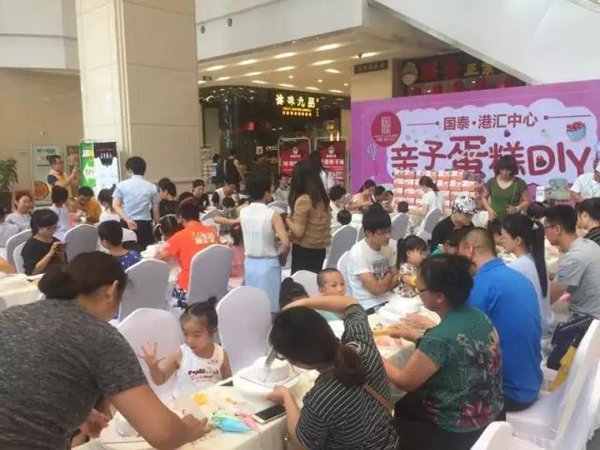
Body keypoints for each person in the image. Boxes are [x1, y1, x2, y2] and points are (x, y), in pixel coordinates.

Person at [0, 252, 210, 448]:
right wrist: (187, 430)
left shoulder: (11, 315)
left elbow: (24, 383)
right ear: (111, 291)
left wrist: (77, 411)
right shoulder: (99, 335)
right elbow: (163, 433)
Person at [385, 255, 503, 450]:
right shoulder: (478, 315)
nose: (418, 293)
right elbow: (455, 346)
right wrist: (413, 335)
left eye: (420, 289)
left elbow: (405, 382)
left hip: (458, 431)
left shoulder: (439, 338)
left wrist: (375, 356)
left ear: (439, 296)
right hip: (491, 413)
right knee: (406, 405)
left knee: (389, 424)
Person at [267, 294, 399, 450]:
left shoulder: (321, 398)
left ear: (300, 362)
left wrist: (286, 397)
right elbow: (350, 304)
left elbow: (301, 442)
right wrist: (301, 303)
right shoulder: (363, 344)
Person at [459, 228, 542, 411]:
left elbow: (459, 340)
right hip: (530, 381)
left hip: (507, 392)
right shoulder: (517, 277)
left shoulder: (481, 286)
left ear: (469, 250)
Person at [139, 299, 232, 398]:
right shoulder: (180, 354)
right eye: (185, 334)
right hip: (184, 404)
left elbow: (228, 382)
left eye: (196, 335)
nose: (190, 341)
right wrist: (153, 365)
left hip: (210, 402)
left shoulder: (220, 354)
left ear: (213, 331)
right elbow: (159, 380)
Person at [240, 174, 290, 312]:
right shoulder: (272, 214)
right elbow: (286, 243)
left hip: (249, 263)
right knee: (270, 305)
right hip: (268, 263)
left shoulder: (243, 212)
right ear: (266, 192)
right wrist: (282, 259)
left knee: (252, 304)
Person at [500, 214, 554, 341]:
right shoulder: (539, 262)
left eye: (503, 237)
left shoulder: (516, 268)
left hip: (534, 335)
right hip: (546, 328)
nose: (501, 240)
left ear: (518, 240)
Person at [155, 202, 220, 306]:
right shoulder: (212, 233)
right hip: (212, 287)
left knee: (165, 298)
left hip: (188, 288)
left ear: (181, 218)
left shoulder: (180, 236)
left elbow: (157, 259)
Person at [545, 205, 600, 318]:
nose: (545, 234)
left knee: (540, 318)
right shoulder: (586, 244)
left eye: (545, 228)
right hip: (589, 309)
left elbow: (550, 297)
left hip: (588, 318)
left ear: (557, 229)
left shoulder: (575, 256)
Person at [347, 205, 398, 311]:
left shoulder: (388, 247)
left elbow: (397, 278)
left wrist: (384, 284)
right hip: (369, 304)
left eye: (389, 231)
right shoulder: (358, 253)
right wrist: (389, 274)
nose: (388, 236)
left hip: (390, 299)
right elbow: (376, 289)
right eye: (382, 233)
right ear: (368, 233)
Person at [286, 160, 331, 274]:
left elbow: (298, 232)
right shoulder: (323, 198)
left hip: (304, 250)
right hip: (319, 249)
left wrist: (287, 219)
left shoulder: (304, 200)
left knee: (300, 282)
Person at [113, 156, 160, 250]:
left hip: (126, 224)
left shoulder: (121, 185)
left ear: (130, 170)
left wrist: (127, 220)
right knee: (145, 252)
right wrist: (157, 226)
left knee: (126, 251)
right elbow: (156, 211)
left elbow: (115, 205)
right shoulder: (152, 187)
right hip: (145, 225)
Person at [482, 155, 530, 221]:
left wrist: (517, 208)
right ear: (498, 169)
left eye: (508, 170)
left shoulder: (519, 183)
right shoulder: (492, 182)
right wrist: (489, 210)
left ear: (512, 170)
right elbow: (484, 197)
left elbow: (527, 201)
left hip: (513, 220)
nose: (504, 173)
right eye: (502, 169)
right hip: (494, 219)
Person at [21, 209, 67, 276]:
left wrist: (62, 255)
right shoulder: (31, 246)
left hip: (56, 276)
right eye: (49, 228)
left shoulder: (55, 241)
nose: (53, 231)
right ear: (37, 227)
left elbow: (64, 265)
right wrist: (50, 254)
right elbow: (33, 273)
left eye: (55, 227)